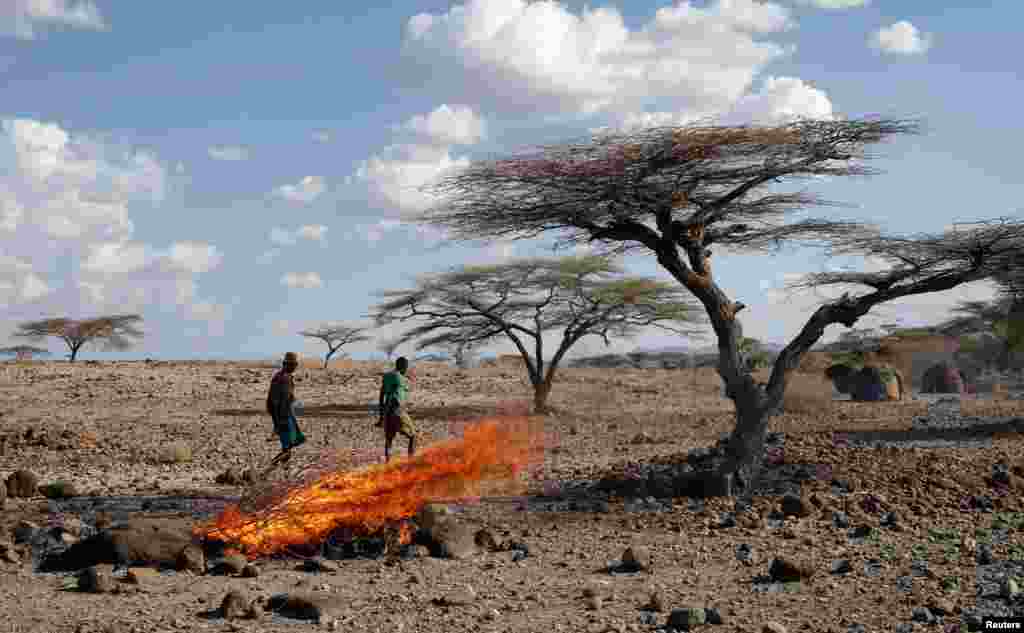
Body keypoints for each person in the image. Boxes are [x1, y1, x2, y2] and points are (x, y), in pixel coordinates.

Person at [266, 352, 306, 462]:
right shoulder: (282, 378)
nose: (294, 367)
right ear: (285, 364)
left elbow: (287, 397)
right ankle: (272, 466)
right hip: (282, 414)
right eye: (291, 364)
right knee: (287, 446)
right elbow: (276, 400)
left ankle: (280, 466)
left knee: (291, 442)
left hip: (285, 413)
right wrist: (280, 418)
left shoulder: (285, 376)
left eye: (295, 365)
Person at [377, 356, 416, 462]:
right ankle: (411, 462)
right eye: (406, 367)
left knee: (389, 440)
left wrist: (381, 417)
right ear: (403, 367)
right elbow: (400, 390)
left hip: (387, 411)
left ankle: (388, 462)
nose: (406, 369)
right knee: (413, 436)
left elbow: (381, 396)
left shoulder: (387, 377)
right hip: (397, 410)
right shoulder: (400, 378)